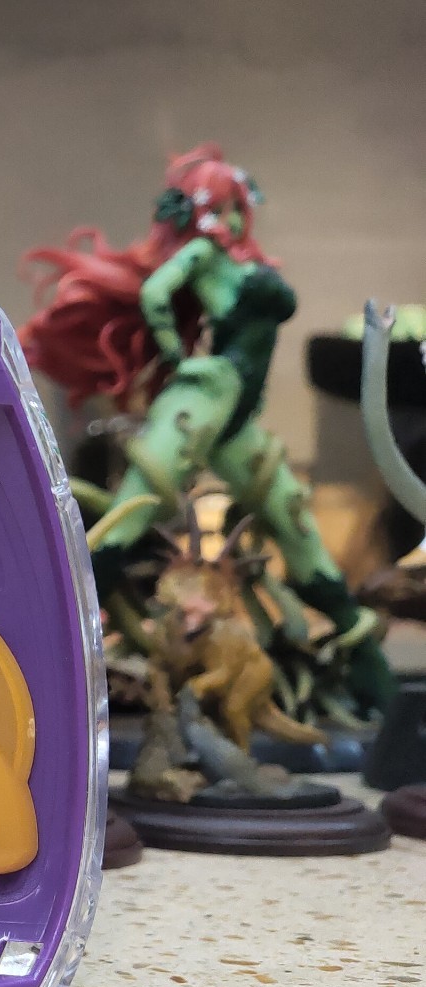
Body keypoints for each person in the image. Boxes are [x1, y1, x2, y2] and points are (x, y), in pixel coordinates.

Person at [22, 143, 391, 713]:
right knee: (130, 513)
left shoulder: (240, 262)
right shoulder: (201, 255)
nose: (233, 219)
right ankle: (50, 656)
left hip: (236, 415)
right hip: (204, 396)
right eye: (220, 207)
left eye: (237, 206)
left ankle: (365, 667)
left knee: (291, 519)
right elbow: (154, 293)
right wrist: (176, 356)